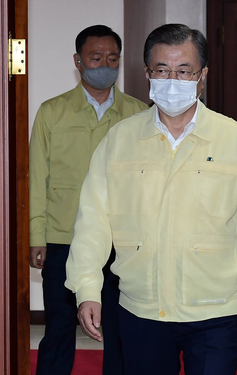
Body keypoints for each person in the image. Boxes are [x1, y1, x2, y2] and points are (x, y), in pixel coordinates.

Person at [64, 23, 237, 375]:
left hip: (216, 312)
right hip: (142, 310)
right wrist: (87, 288)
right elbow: (93, 221)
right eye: (162, 70)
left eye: (184, 71)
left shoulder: (232, 139)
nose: (172, 80)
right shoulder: (120, 140)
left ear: (202, 76)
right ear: (147, 74)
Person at [29, 25, 148, 375]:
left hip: (121, 242)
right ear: (78, 61)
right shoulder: (52, 112)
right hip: (64, 239)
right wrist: (38, 236)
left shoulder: (138, 113)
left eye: (113, 58)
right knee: (60, 328)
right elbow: (37, 179)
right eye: (96, 58)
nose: (105, 65)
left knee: (120, 331)